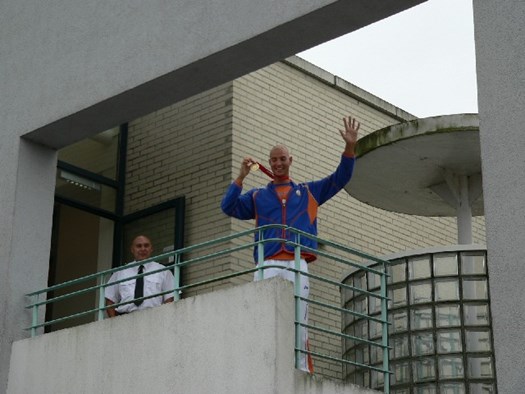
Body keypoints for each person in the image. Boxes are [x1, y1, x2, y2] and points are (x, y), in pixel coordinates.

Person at [220, 115, 360, 373]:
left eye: (282, 158)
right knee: (261, 316)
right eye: (274, 159)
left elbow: (340, 178)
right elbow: (228, 206)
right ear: (269, 163)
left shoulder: (308, 192)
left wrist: (349, 147)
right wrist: (240, 176)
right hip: (267, 262)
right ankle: (261, 368)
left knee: (299, 319)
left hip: (297, 263)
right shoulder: (258, 195)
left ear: (290, 161)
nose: (278, 163)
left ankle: (300, 372)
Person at [105, 235, 174, 317]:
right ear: (132, 250)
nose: (143, 249)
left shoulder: (163, 271)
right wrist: (114, 324)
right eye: (139, 246)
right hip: (125, 319)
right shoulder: (120, 272)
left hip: (154, 317)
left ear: (151, 249)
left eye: (146, 245)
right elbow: (110, 300)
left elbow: (170, 299)